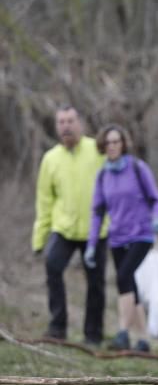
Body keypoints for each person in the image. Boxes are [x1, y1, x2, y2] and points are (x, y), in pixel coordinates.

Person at [84, 124, 158, 352]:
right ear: (102, 145)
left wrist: (157, 218)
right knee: (131, 286)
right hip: (117, 238)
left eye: (116, 141)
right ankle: (143, 340)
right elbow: (97, 212)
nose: (112, 146)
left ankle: (122, 333)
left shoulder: (138, 168)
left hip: (141, 234)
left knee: (123, 276)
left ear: (123, 144)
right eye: (108, 142)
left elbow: (156, 199)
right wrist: (91, 245)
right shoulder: (103, 176)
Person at [31, 105, 108, 344]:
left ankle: (93, 334)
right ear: (56, 127)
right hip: (63, 228)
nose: (66, 126)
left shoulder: (97, 151)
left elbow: (113, 189)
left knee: (96, 282)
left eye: (70, 121)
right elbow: (44, 200)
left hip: (96, 231)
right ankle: (57, 328)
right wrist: (39, 237)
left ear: (80, 124)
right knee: (53, 267)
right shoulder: (51, 159)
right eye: (61, 122)